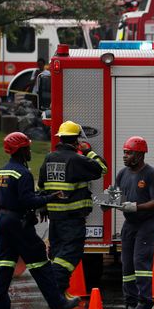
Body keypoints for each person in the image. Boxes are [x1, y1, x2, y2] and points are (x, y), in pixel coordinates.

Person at [0, 132, 80, 309]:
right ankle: (57, 303)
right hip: (17, 222)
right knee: (39, 260)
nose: (30, 150)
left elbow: (12, 198)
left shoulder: (2, 172)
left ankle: (0, 306)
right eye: (27, 147)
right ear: (21, 150)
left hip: (2, 219)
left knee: (5, 263)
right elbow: (27, 200)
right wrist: (50, 197)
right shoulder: (22, 173)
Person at [38, 120, 108, 294]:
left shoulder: (49, 158)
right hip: (72, 218)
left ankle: (59, 290)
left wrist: (44, 207)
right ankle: (57, 288)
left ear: (60, 138)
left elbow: (41, 186)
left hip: (54, 218)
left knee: (57, 253)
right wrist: (89, 152)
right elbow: (102, 168)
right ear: (76, 140)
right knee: (70, 254)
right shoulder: (77, 159)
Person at [116, 136, 154, 309]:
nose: (125, 156)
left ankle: (144, 303)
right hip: (130, 223)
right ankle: (130, 301)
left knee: (140, 262)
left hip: (147, 222)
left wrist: (136, 206)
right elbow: (116, 197)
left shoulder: (151, 175)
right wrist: (108, 204)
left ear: (140, 154)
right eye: (124, 152)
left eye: (129, 153)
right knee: (127, 262)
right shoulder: (122, 174)